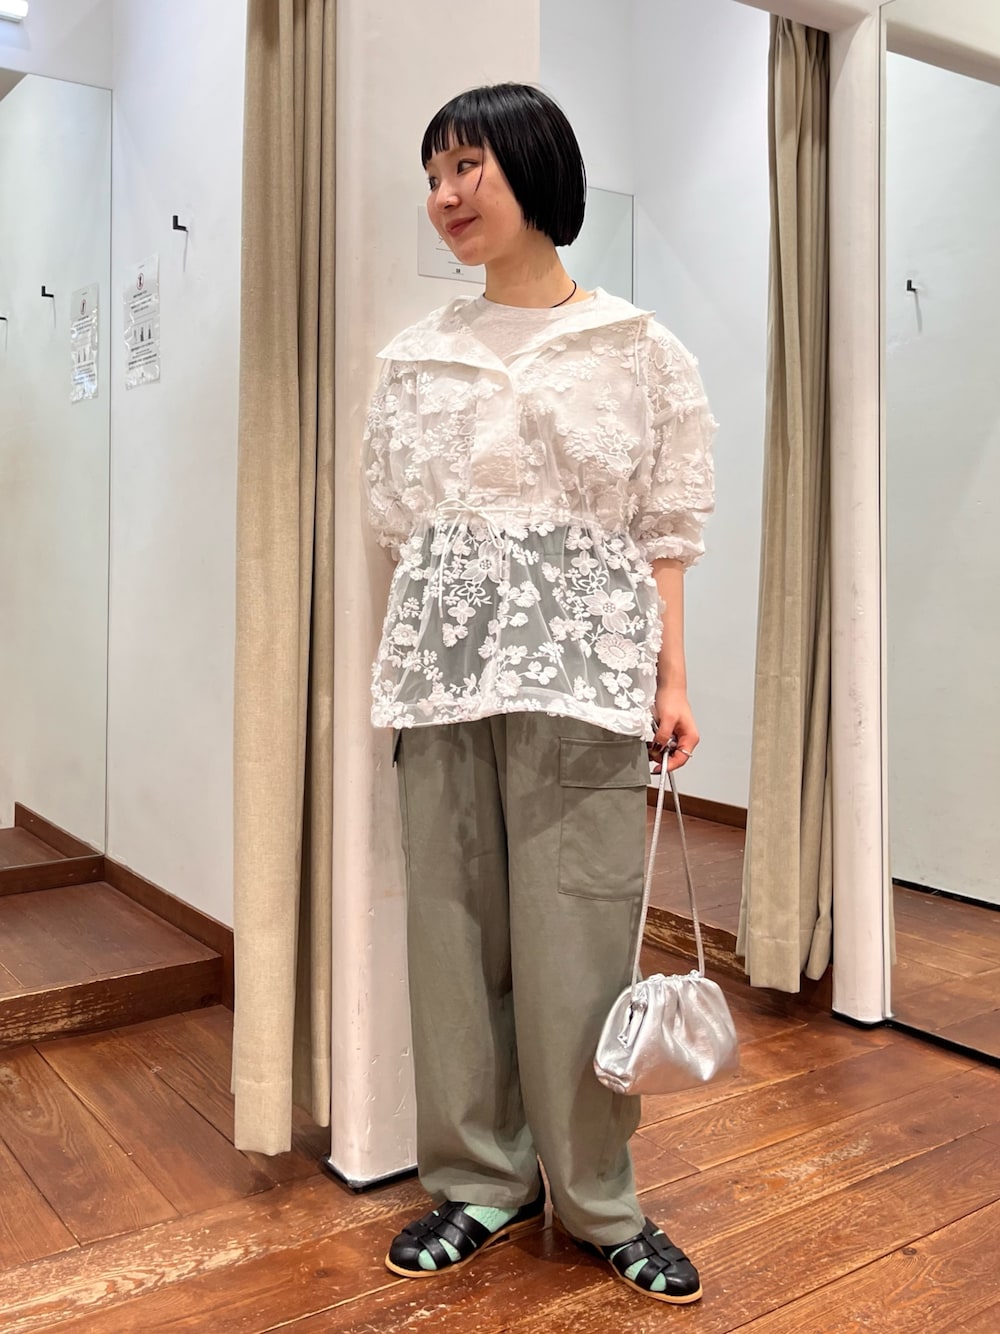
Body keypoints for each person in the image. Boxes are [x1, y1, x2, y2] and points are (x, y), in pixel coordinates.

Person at [361, 82, 716, 1307]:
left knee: (579, 939)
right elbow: (400, 532)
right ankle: (479, 1181)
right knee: (453, 935)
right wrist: (418, 660)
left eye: (467, 166)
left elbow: (665, 528)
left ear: (533, 167)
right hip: (445, 675)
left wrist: (671, 677)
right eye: (432, 175)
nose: (444, 195)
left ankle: (600, 1197)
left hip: (587, 672)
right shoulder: (414, 359)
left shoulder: (638, 348)